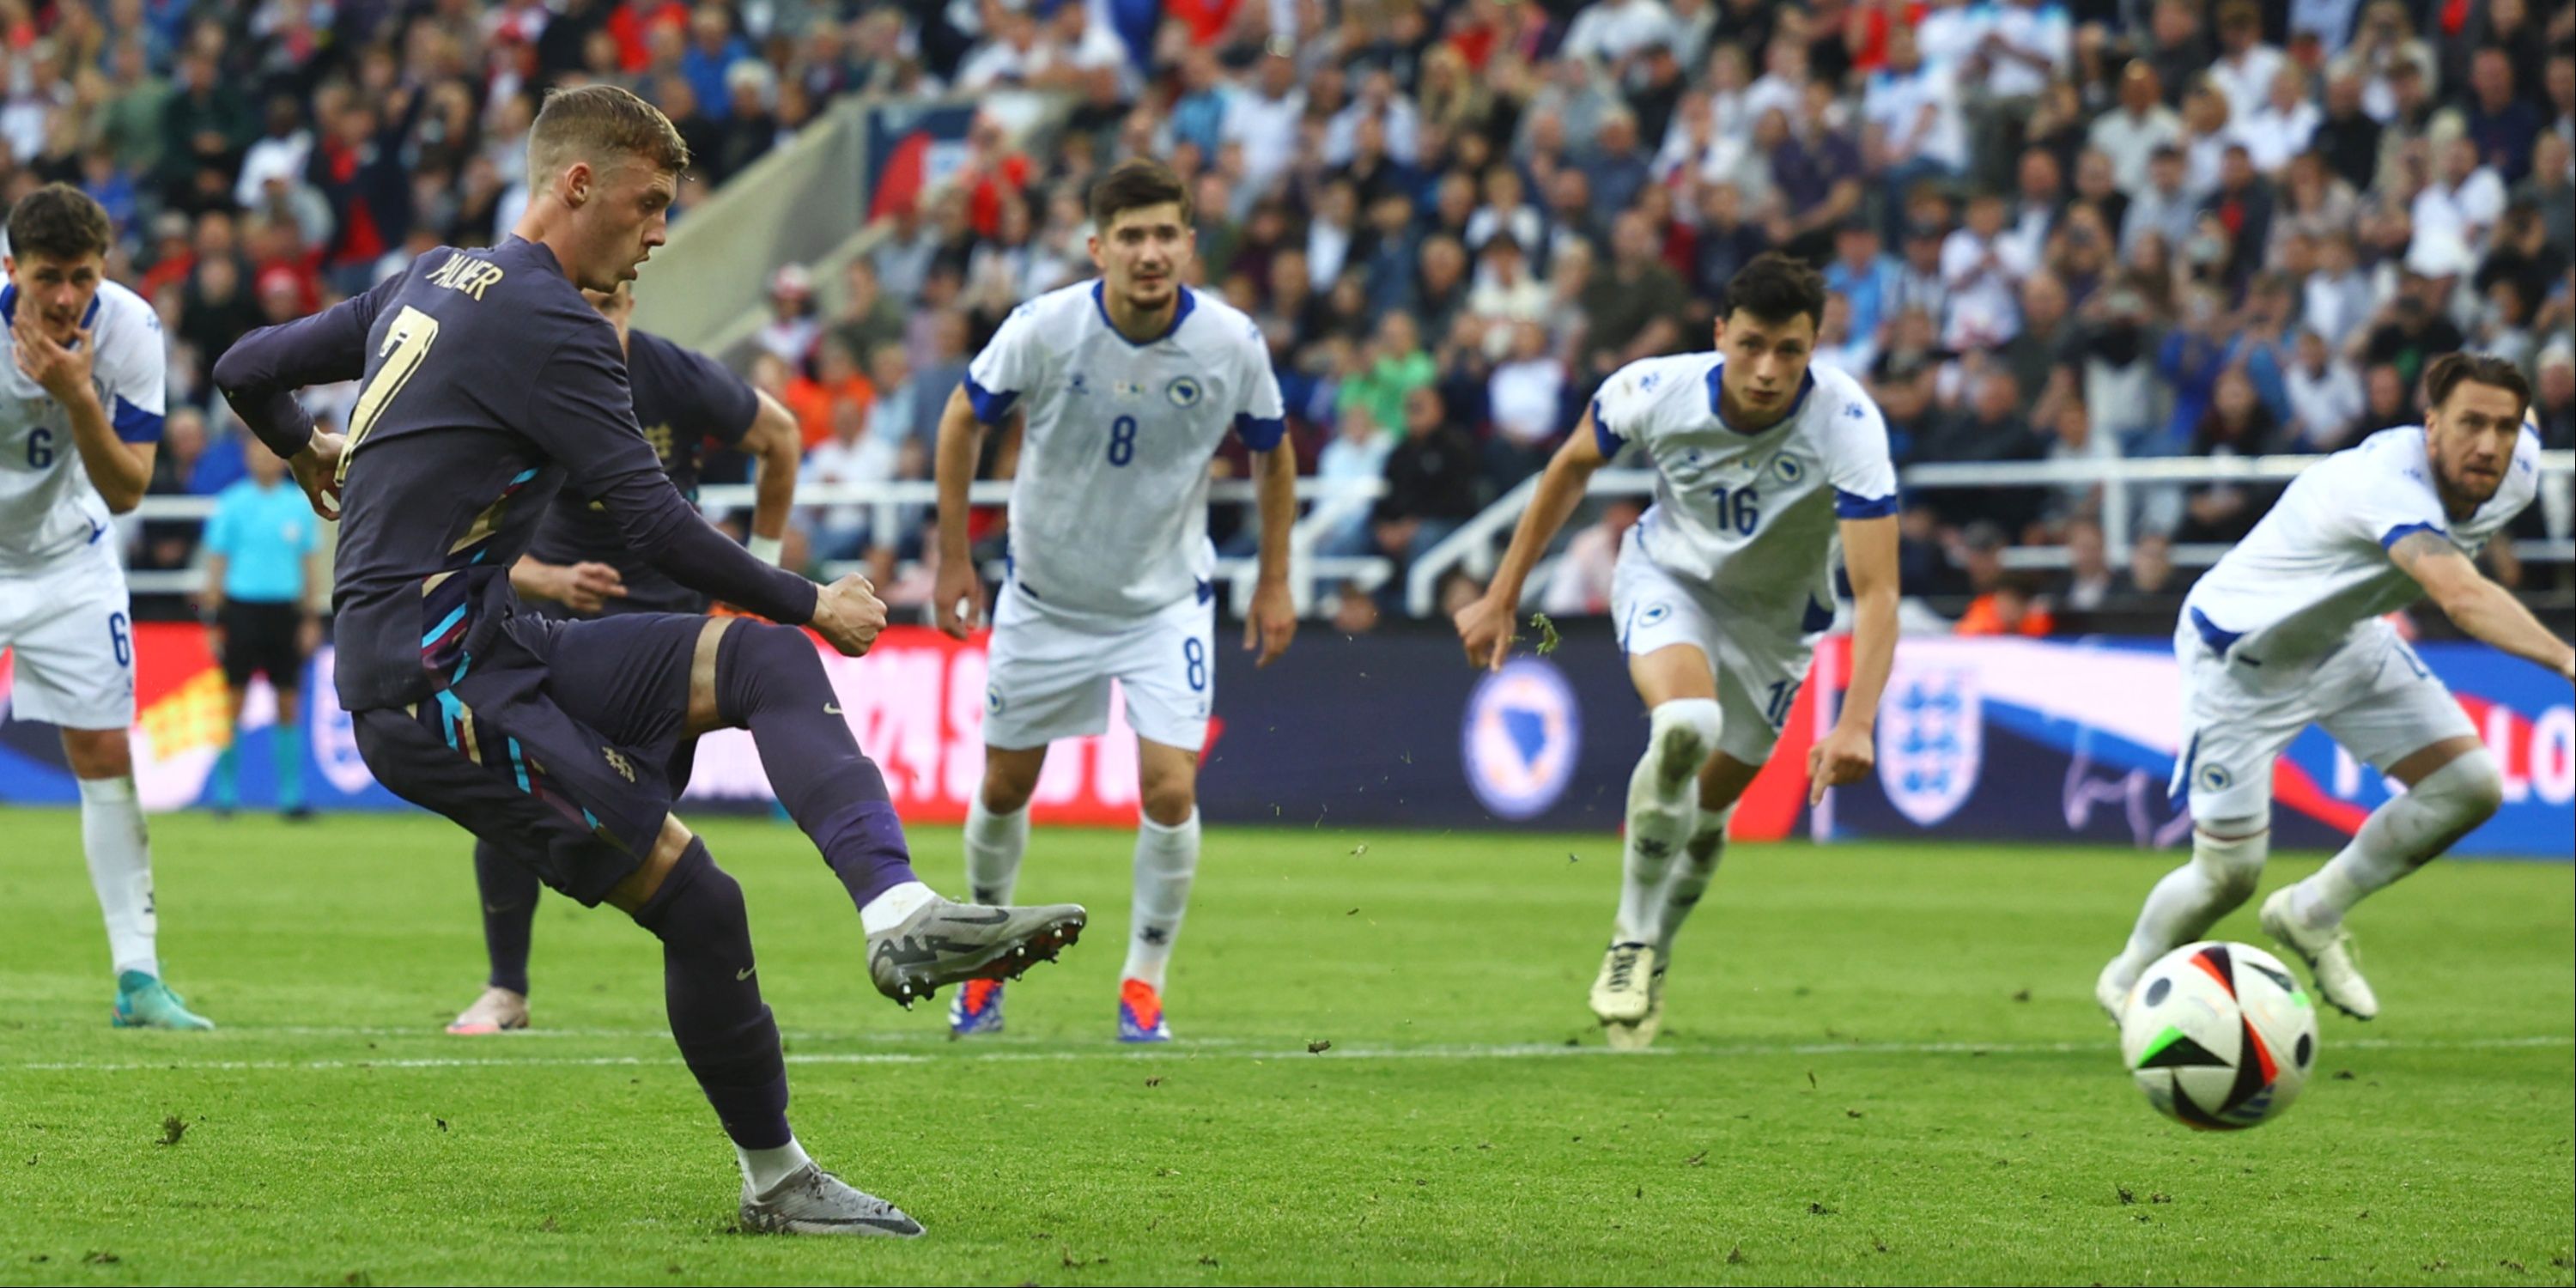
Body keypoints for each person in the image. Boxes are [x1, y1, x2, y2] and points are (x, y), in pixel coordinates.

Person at [213, 84, 1086, 1236]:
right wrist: (813, 596)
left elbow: (243, 363)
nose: (662, 232)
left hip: (490, 636)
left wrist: (302, 447)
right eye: (651, 203)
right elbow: (655, 527)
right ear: (579, 186)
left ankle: (898, 911)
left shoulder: (429, 274)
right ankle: (778, 1181)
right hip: (429, 684)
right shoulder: (554, 322)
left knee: (761, 668)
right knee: (703, 903)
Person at [1452, 253, 1903, 1050]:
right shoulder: (1653, 390)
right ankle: (1630, 938)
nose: (1767, 371)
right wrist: (1501, 594)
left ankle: (1657, 946)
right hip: (1671, 581)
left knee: (1708, 813)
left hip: (1778, 629)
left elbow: (1877, 592)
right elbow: (1568, 468)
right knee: (1685, 724)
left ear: (1815, 346)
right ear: (1721, 333)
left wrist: (1856, 720)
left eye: (1790, 351)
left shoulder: (1849, 424)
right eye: (1752, 345)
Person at [932, 157, 1297, 1044]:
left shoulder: (1231, 343)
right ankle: (986, 964)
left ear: (1188, 243)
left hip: (1164, 604)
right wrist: (953, 560)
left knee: (1171, 789)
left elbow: (1272, 451)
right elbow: (960, 420)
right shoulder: (1045, 329)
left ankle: (1144, 980)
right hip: (1046, 599)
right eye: (1130, 236)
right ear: (1098, 248)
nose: (1150, 252)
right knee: (1006, 782)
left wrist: (1277, 577)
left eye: (1166, 233)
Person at [2096, 354, 2569, 1029]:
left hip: (2347, 639)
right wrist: (2567, 660)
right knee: (2227, 875)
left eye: (2504, 426)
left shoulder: (2518, 469)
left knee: (2470, 786)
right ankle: (2126, 976)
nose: (2489, 444)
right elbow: (2461, 596)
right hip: (2241, 661)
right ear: (2430, 425)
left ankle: (2312, 911)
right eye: (2470, 423)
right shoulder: (2385, 480)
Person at [447, 279, 805, 1038]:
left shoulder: (675, 376)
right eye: (581, 308)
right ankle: (504, 988)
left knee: (641, 815)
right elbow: (458, 530)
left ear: (631, 309)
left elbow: (781, 438)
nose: (595, 324)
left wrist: (760, 575)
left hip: (665, 630)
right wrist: (548, 577)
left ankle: (710, 986)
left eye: (608, 309)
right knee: (508, 798)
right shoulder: (519, 380)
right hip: (548, 625)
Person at [0, 184, 212, 1030]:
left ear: (103, 270)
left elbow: (128, 489)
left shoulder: (129, 328)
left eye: (81, 277)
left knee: (102, 754)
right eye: (47, 277)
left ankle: (139, 978)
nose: (65, 297)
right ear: (12, 269)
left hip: (68, 560)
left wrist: (79, 394)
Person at [199, 440, 323, 819]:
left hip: (283, 610)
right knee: (233, 700)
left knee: (288, 702)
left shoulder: (297, 506)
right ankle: (225, 795)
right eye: (256, 454)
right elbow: (216, 564)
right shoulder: (232, 503)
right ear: (247, 459)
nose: (263, 461)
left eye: (270, 454)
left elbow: (309, 565)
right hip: (241, 610)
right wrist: (212, 619)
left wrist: (310, 617)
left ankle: (291, 797)